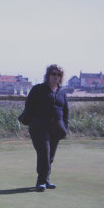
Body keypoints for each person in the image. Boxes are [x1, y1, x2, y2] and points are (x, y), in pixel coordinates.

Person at [20, 64, 69, 192]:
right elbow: (29, 105)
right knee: (44, 153)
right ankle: (41, 181)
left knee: (50, 156)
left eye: (58, 75)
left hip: (57, 127)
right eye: (53, 74)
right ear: (48, 75)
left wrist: (65, 127)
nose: (55, 76)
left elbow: (66, 111)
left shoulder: (62, 92)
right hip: (39, 126)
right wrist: (31, 121)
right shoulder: (38, 89)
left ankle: (46, 180)